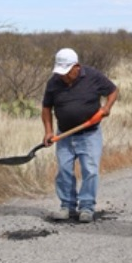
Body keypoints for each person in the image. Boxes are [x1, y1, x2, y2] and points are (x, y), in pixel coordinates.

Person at [42, 48, 119, 223]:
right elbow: (46, 108)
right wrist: (48, 131)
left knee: (90, 171)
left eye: (66, 72)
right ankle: (67, 206)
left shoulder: (93, 76)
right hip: (64, 135)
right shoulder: (54, 82)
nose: (63, 76)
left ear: (76, 67)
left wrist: (106, 108)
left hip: (89, 134)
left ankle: (86, 207)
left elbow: (113, 91)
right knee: (64, 170)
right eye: (60, 72)